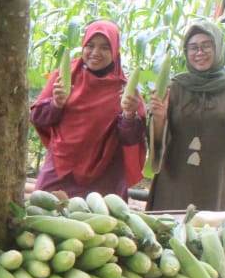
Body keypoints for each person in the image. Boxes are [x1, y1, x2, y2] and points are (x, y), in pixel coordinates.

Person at [146, 21, 225, 211]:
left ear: (219, 48)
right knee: (169, 230)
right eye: (193, 47)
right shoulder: (175, 87)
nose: (199, 52)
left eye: (206, 46)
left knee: (211, 232)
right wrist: (159, 116)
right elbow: (156, 139)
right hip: (175, 179)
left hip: (217, 180)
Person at [30, 21, 147, 199]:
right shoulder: (65, 75)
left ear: (115, 51)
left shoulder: (124, 89)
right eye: (90, 46)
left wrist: (129, 115)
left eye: (105, 48)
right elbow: (37, 117)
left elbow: (131, 139)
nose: (95, 53)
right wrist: (56, 104)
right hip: (61, 168)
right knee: (43, 215)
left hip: (104, 176)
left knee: (100, 224)